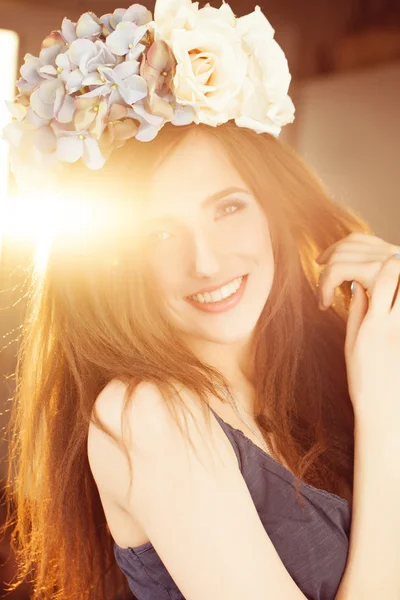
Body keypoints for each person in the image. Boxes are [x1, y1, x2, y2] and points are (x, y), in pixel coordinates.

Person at [1, 0, 400, 599]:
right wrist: (384, 411)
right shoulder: (145, 414)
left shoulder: (329, 356)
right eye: (159, 234)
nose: (206, 261)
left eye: (229, 208)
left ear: (273, 209)